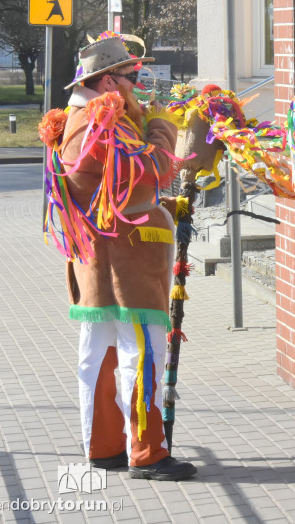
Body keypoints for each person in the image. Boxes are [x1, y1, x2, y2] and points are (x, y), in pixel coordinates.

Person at [43, 34, 196, 481]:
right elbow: (148, 170)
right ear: (108, 80)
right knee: (139, 353)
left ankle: (105, 447)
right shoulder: (98, 121)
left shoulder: (87, 116)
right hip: (124, 263)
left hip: (103, 260)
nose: (138, 82)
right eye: (132, 76)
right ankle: (147, 453)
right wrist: (163, 125)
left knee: (101, 353)